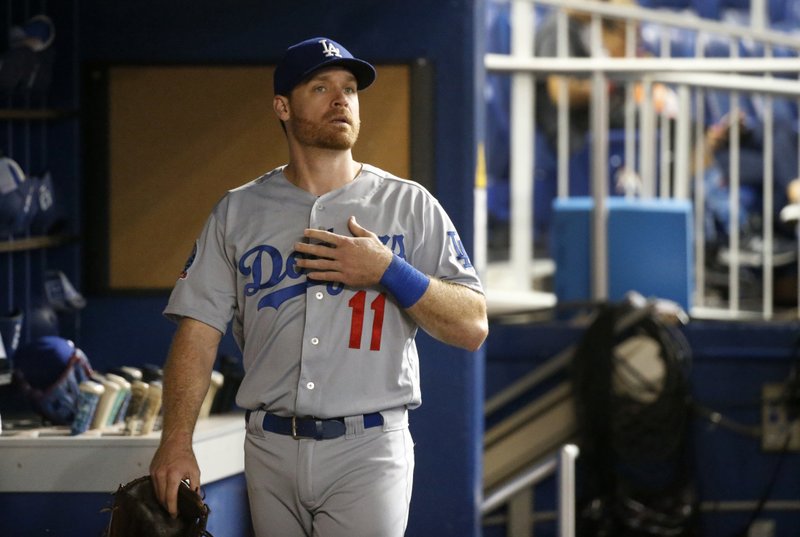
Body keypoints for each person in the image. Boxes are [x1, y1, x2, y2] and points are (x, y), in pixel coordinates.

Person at [149, 36, 489, 537]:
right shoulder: (238, 211)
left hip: (368, 446)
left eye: (350, 89)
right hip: (269, 445)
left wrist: (389, 269)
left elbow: (472, 325)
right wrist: (176, 441)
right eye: (321, 86)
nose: (341, 100)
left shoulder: (410, 205)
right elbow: (198, 331)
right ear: (283, 106)